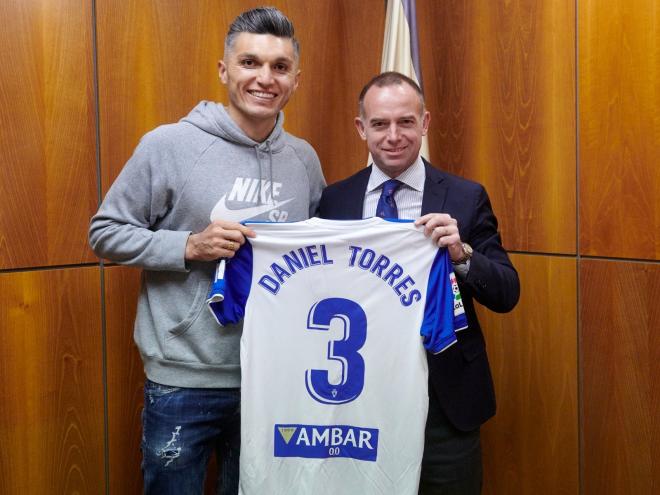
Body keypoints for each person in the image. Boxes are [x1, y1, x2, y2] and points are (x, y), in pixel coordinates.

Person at [89, 7, 325, 494]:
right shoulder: (169, 145)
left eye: (279, 67)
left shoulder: (303, 159)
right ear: (224, 71)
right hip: (184, 379)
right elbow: (105, 231)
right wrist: (189, 245)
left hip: (274, 375)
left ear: (296, 79)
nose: (265, 78)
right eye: (250, 63)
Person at [319, 71, 519, 494]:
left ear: (425, 123)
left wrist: (462, 254)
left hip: (444, 407)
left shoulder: (465, 198)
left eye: (405, 122)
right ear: (361, 128)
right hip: (358, 402)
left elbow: (507, 292)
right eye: (379, 124)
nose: (393, 136)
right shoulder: (334, 201)